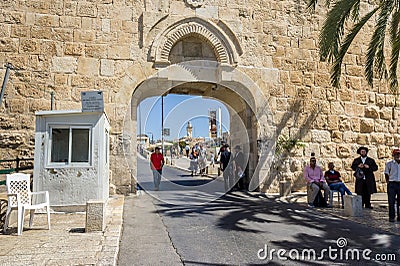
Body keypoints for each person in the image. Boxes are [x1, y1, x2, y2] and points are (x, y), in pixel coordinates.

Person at [384, 149, 400, 222]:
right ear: (393, 155)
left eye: (399, 154)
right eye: (396, 154)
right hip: (392, 184)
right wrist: (388, 182)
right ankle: (392, 217)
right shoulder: (389, 164)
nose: (398, 156)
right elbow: (386, 173)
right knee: (391, 201)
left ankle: (399, 216)